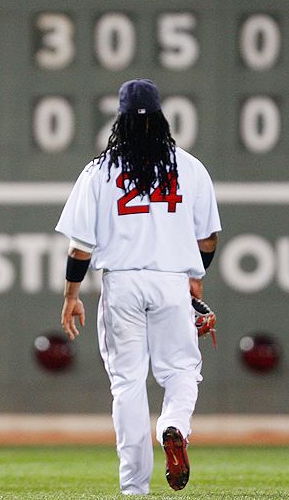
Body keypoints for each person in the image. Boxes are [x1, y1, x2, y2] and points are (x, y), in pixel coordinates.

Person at [55, 78, 221, 495]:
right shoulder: (190, 167)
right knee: (182, 370)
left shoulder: (99, 170)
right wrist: (194, 280)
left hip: (122, 284)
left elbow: (80, 247)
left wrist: (72, 295)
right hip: (171, 281)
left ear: (121, 119)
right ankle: (174, 427)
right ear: (161, 117)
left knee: (127, 384)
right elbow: (208, 241)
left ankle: (134, 488)